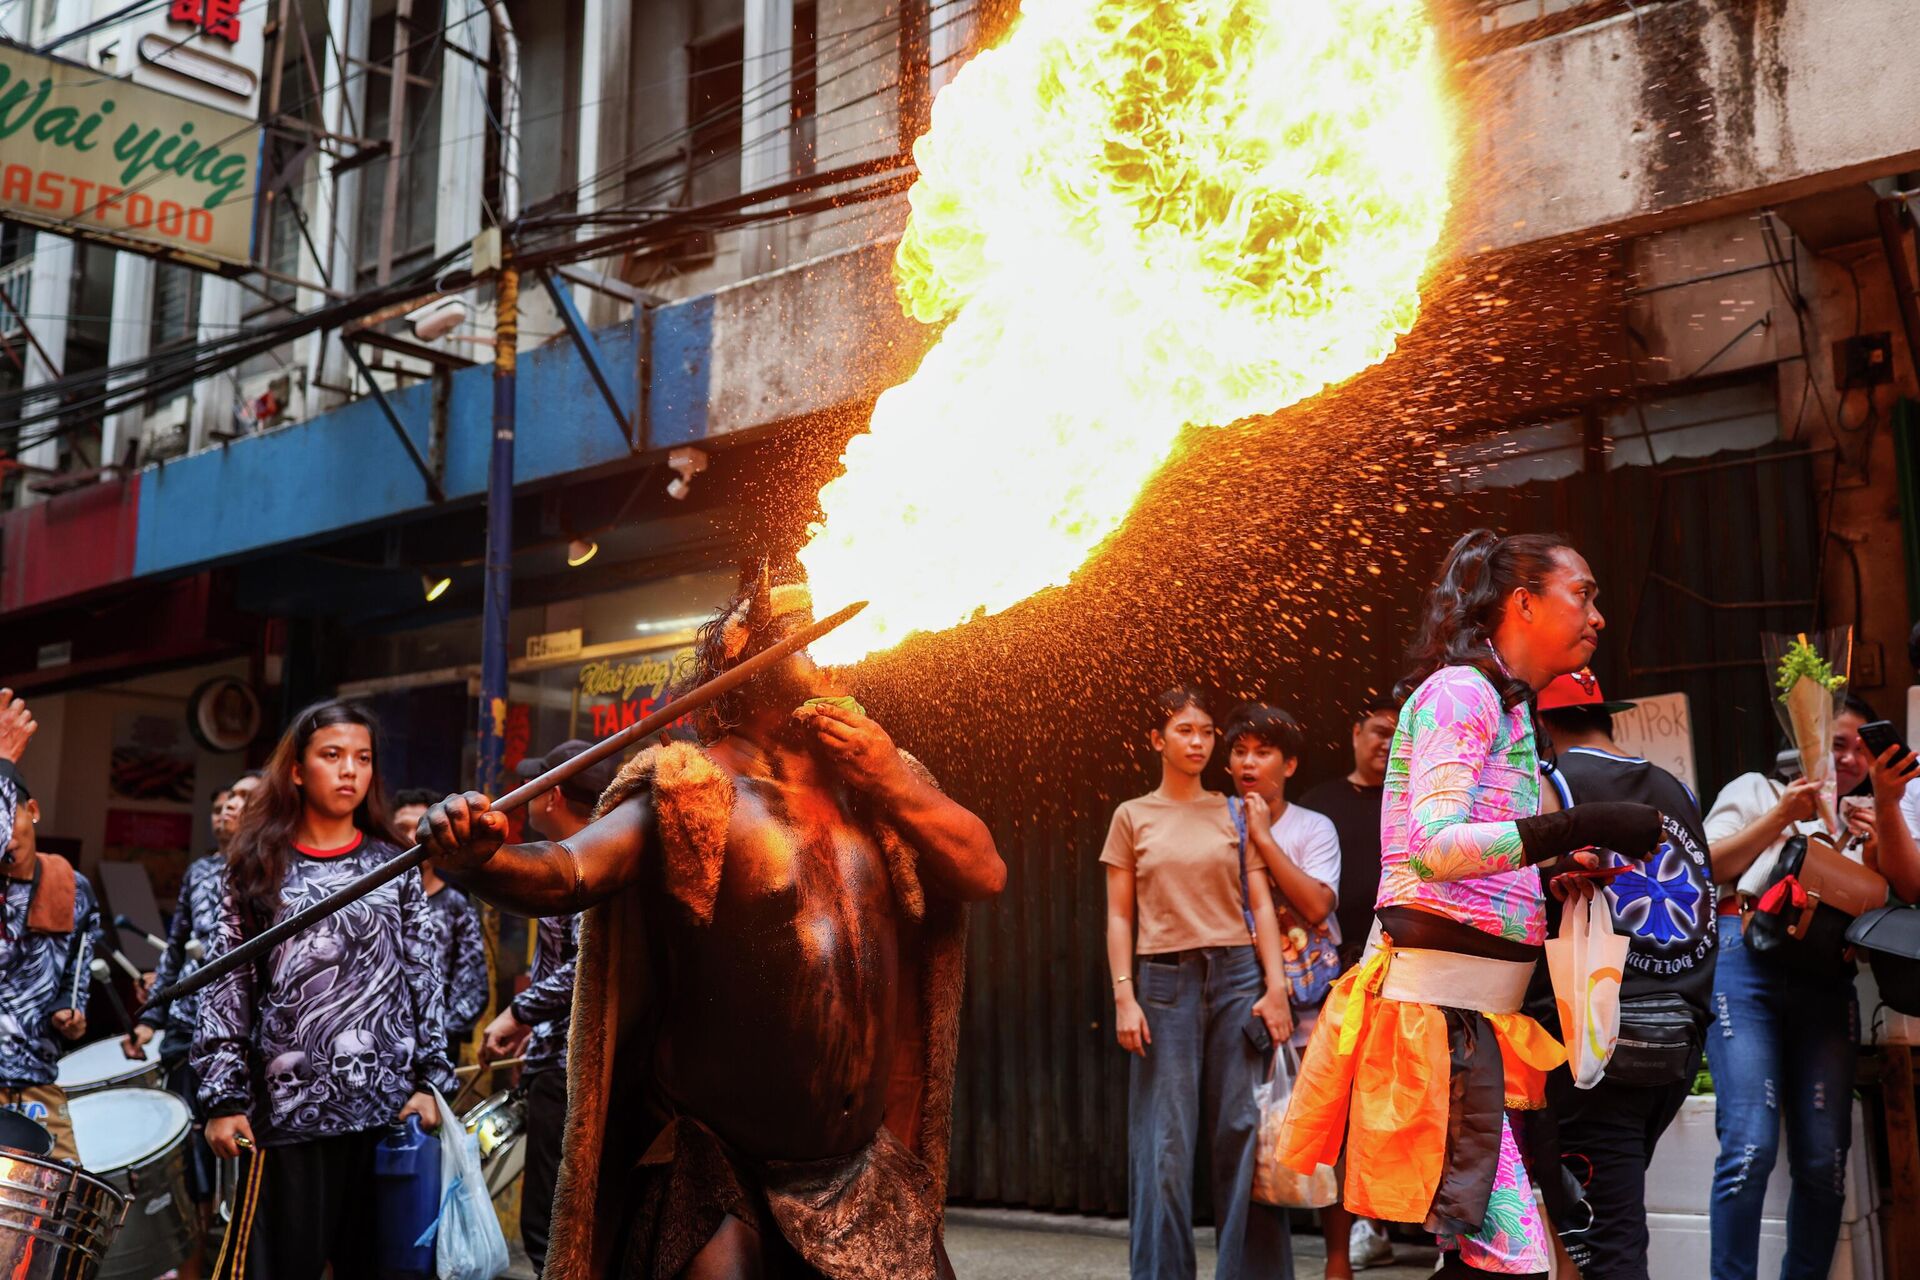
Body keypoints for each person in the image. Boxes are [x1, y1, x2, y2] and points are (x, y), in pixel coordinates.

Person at [418, 573, 1005, 1279]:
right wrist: (481, 860)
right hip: (719, 1169)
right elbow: (569, 872)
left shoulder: (879, 784)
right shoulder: (692, 789)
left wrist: (891, 781)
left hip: (858, 1171)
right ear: (741, 645)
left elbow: (984, 872)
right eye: (813, 625)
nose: (840, 645)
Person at [1277, 529, 1663, 1278]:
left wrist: (1552, 868)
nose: (1598, 616)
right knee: (1519, 1263)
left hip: (1481, 1029)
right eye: (1582, 594)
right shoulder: (1463, 693)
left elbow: (1486, 854)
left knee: (1497, 1261)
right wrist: (1580, 824)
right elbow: (1436, 845)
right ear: (1524, 602)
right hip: (1438, 1029)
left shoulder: (1513, 711)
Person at [196, 701, 453, 1280]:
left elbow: (424, 978)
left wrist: (431, 1084)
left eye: (362, 759)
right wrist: (223, 1098)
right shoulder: (256, 866)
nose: (349, 772)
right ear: (296, 769)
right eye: (331, 756)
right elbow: (225, 986)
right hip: (285, 1122)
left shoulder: (396, 865)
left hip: (387, 1118)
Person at [1702, 691, 1920, 1280]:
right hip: (1743, 964)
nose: (1849, 758)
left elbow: (1891, 901)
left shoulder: (1874, 817)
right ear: (1806, 742)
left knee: (1824, 1162)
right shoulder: (1756, 790)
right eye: (1837, 743)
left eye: (1861, 749)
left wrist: (1877, 835)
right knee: (1749, 1149)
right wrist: (1781, 817)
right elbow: (1706, 867)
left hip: (1827, 982)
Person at [1523, 670, 1715, 1280]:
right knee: (1610, 1225)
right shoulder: (1674, 788)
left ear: (1540, 724)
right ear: (1607, 714)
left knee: (1607, 1246)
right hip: (1675, 1042)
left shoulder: (1553, 783)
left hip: (1597, 1049)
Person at [1103, 687, 1294, 1280]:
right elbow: (1118, 915)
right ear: (1156, 741)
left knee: (1242, 1133)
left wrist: (1276, 985)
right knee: (1165, 1146)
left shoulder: (1235, 810)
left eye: (1207, 732)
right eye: (1185, 731)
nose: (1198, 743)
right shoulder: (1132, 816)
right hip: (1163, 984)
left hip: (1237, 977)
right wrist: (1124, 995)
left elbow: (1261, 905)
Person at [476, 741, 617, 1277]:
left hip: (570, 1070)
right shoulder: (590, 852)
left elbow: (583, 966)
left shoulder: (588, 860)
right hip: (563, 1061)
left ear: (552, 795)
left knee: (550, 1225)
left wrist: (519, 1013)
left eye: (535, 787)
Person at [1223, 702, 1346, 1280]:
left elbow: (1318, 904)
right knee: (1251, 1129)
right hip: (1243, 996)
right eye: (1240, 751)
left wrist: (1264, 840)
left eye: (1263, 751)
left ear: (1289, 764)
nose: (1249, 762)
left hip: (1314, 1001)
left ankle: (1337, 1261)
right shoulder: (1216, 820)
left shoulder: (1313, 827)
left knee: (1325, 1129)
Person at [1298, 698, 1398, 1273]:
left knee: (1399, 1106)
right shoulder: (1320, 806)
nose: (1385, 744)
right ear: (1354, 733)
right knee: (1339, 1115)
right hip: (1335, 978)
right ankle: (1347, 1244)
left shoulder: (1412, 801)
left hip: (1404, 969)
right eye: (1377, 733)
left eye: (1395, 735)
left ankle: (1391, 1225)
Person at [0, 703, 92, 1165]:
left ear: (32, 811)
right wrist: (3, 763)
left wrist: (71, 1011)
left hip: (37, 1080)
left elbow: (76, 971)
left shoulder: (72, 886)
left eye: (11, 816)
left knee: (60, 1209)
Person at [394, 786, 490, 1059]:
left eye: (419, 828)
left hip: (435, 1051)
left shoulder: (455, 905)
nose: (410, 838)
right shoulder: (370, 903)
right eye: (401, 828)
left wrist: (435, 1038)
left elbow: (473, 987)